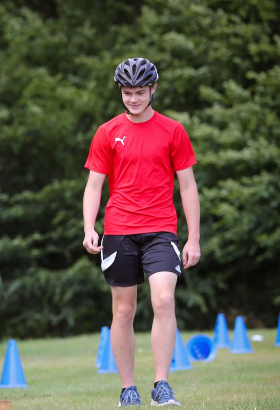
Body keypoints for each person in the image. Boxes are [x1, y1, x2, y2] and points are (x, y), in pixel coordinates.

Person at [82, 57, 200, 407]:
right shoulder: (107, 132)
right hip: (118, 231)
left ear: (153, 90)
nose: (133, 99)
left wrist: (193, 237)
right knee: (124, 311)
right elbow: (93, 187)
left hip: (162, 228)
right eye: (127, 92)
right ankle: (128, 389)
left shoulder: (173, 130)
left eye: (140, 92)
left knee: (164, 299)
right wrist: (90, 227)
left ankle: (161, 384)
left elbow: (189, 188)